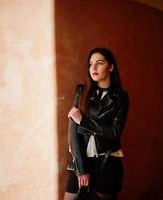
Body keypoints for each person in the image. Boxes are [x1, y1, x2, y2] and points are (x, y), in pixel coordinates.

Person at [64, 47, 129, 200]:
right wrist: (81, 170)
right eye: (90, 64)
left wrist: (84, 121)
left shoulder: (121, 97)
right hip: (80, 161)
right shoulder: (82, 91)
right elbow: (73, 132)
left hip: (108, 162)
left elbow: (114, 132)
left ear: (111, 67)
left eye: (99, 63)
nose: (93, 68)